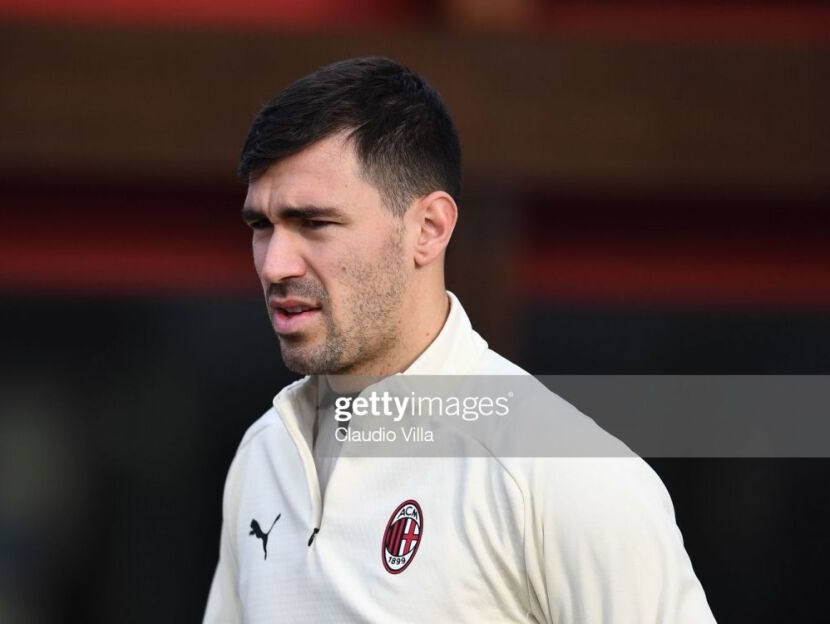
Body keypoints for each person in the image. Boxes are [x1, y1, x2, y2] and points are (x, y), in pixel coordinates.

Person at [204, 57, 715, 623]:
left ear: (429, 229)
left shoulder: (563, 471)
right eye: (261, 226)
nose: (275, 264)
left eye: (315, 223)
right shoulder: (264, 453)